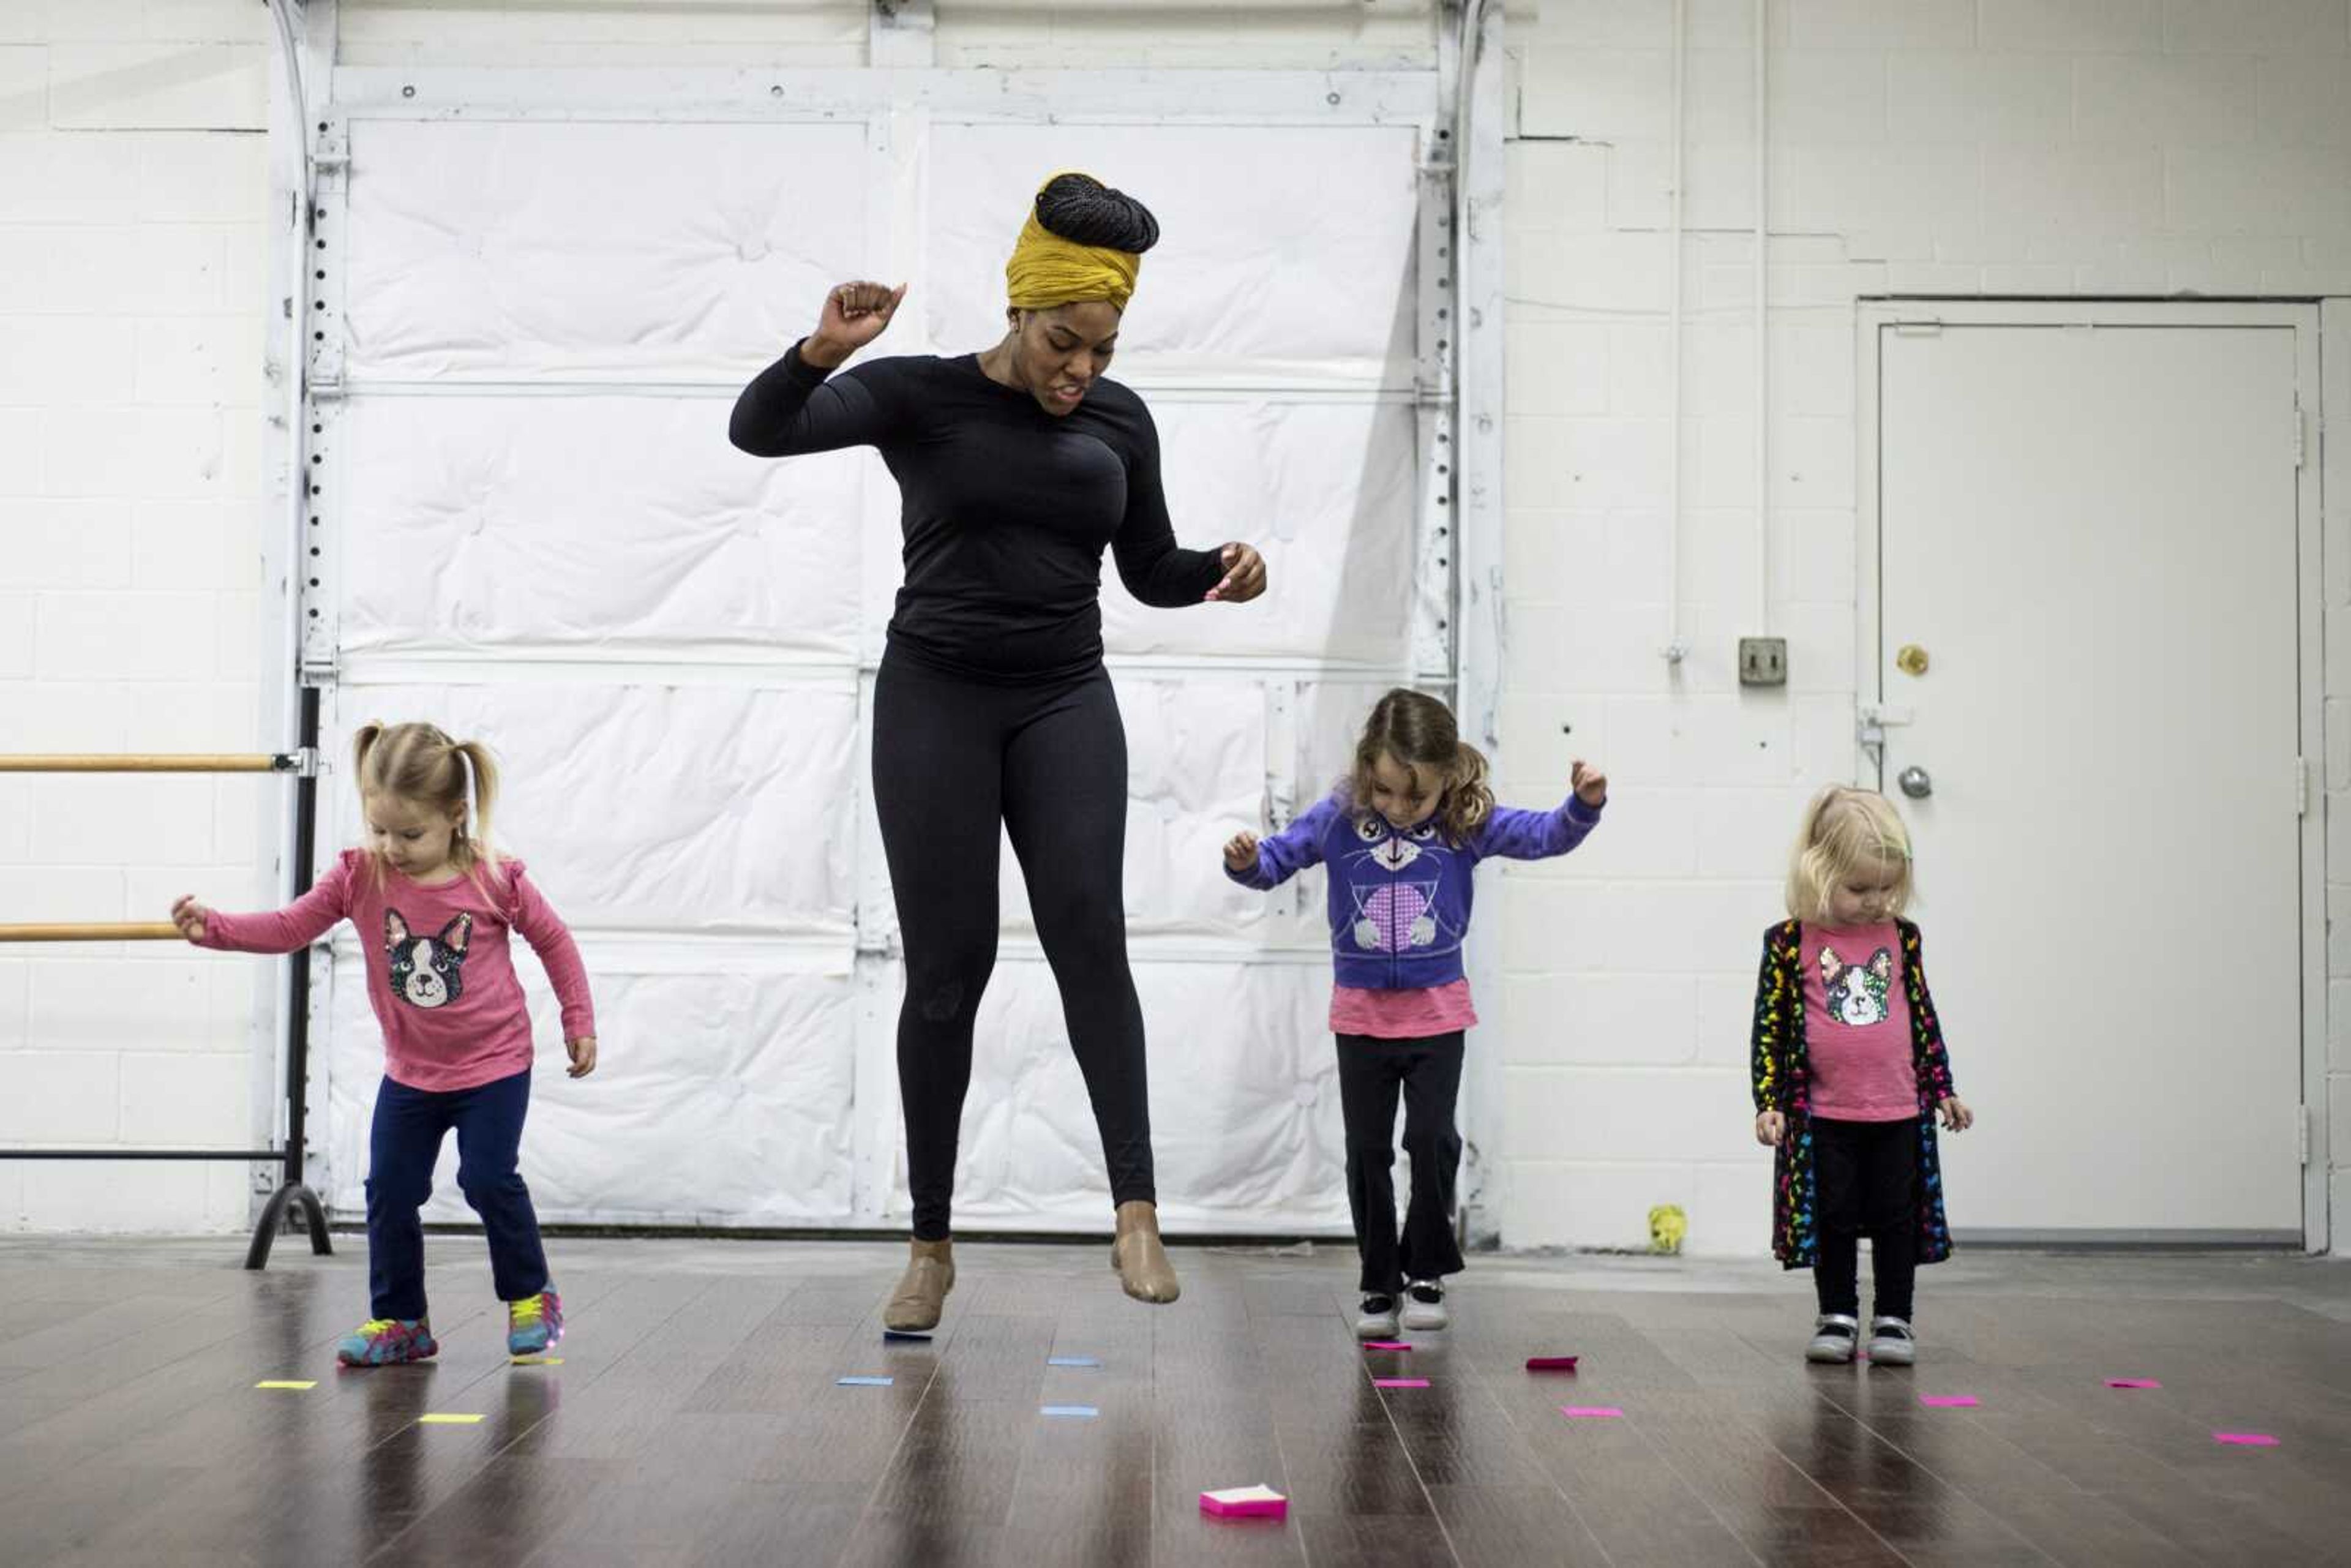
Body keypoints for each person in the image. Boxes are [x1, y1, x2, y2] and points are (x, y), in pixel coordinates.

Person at [729, 171, 1269, 1329]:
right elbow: (761, 432)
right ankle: (930, 1243)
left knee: (1090, 944)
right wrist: (821, 349)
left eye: (1104, 351)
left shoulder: (1121, 421)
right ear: (1020, 311)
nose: (1082, 372)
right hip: (936, 701)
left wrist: (1220, 570)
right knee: (947, 974)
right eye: (1065, 344)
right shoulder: (922, 398)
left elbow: (1150, 571)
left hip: (1066, 697)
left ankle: (1135, 1212)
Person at [172, 722, 596, 1366]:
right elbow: (292, 925)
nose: (392, 847)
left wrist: (578, 1018)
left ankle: (531, 1294)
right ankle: (401, 1319)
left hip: (494, 1066)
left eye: (410, 833)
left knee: (487, 1177)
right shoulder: (358, 877)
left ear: (456, 816)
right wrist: (218, 927)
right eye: (380, 829)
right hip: (413, 1072)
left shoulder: (493, 879)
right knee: (390, 1187)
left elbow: (555, 941)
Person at [1224, 688, 1605, 1340]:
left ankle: (1425, 1268)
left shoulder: (1464, 820)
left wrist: (1583, 805)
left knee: (1431, 1141)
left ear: (1448, 778)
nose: (1399, 809)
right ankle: (1379, 1279)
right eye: (1386, 791)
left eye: (1416, 797)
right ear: (1369, 766)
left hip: (1437, 1015)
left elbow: (1543, 836)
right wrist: (1247, 861)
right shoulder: (1339, 816)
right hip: (1361, 1018)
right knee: (1367, 1150)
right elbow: (1278, 858)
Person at [1750, 784, 1974, 1367]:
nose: (1876, 901)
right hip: (1824, 1114)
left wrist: (1942, 1087)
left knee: (1899, 1216)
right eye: (1859, 888)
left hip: (1899, 1109)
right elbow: (1769, 1027)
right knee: (1834, 1215)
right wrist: (1768, 1098)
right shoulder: (1790, 942)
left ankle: (1895, 1318)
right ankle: (1838, 1313)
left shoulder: (1902, 938)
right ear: (1819, 871)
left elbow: (1922, 1015)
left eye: (1887, 887)